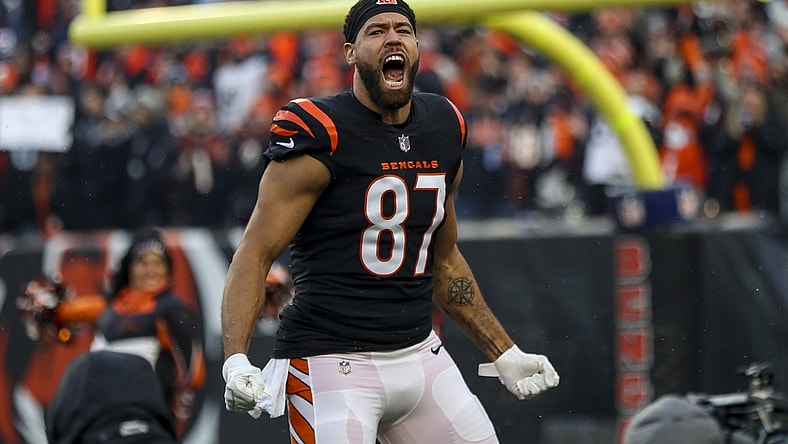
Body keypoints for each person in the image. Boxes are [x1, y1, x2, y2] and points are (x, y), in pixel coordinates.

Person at [220, 1, 560, 443]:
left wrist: (503, 350)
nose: (393, 37)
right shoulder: (323, 130)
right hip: (330, 361)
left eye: (403, 29)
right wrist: (236, 359)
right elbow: (256, 251)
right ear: (350, 51)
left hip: (420, 354)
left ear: (418, 46)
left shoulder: (443, 125)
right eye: (376, 31)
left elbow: (443, 257)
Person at [16, 227, 206, 439]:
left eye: (158, 263)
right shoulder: (111, 308)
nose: (151, 270)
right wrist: (47, 305)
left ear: (169, 269)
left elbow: (194, 373)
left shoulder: (170, 310)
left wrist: (172, 398)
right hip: (99, 413)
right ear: (129, 267)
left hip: (142, 417)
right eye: (143, 262)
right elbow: (64, 312)